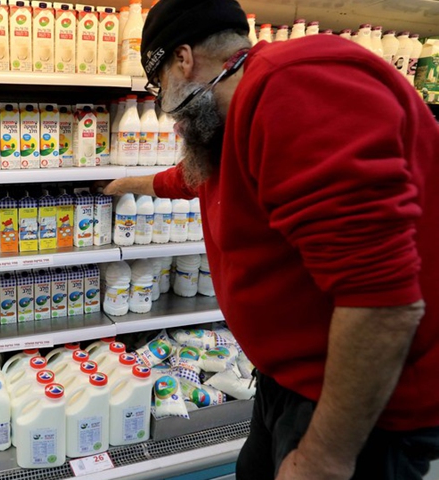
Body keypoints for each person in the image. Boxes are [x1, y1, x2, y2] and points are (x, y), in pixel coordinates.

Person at [103, 0, 439, 479]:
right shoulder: (238, 110)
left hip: (360, 409)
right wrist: (128, 186)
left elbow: (381, 301)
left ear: (182, 60)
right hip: (289, 383)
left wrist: (324, 458)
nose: (162, 105)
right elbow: (198, 177)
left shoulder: (295, 86)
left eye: (161, 88)